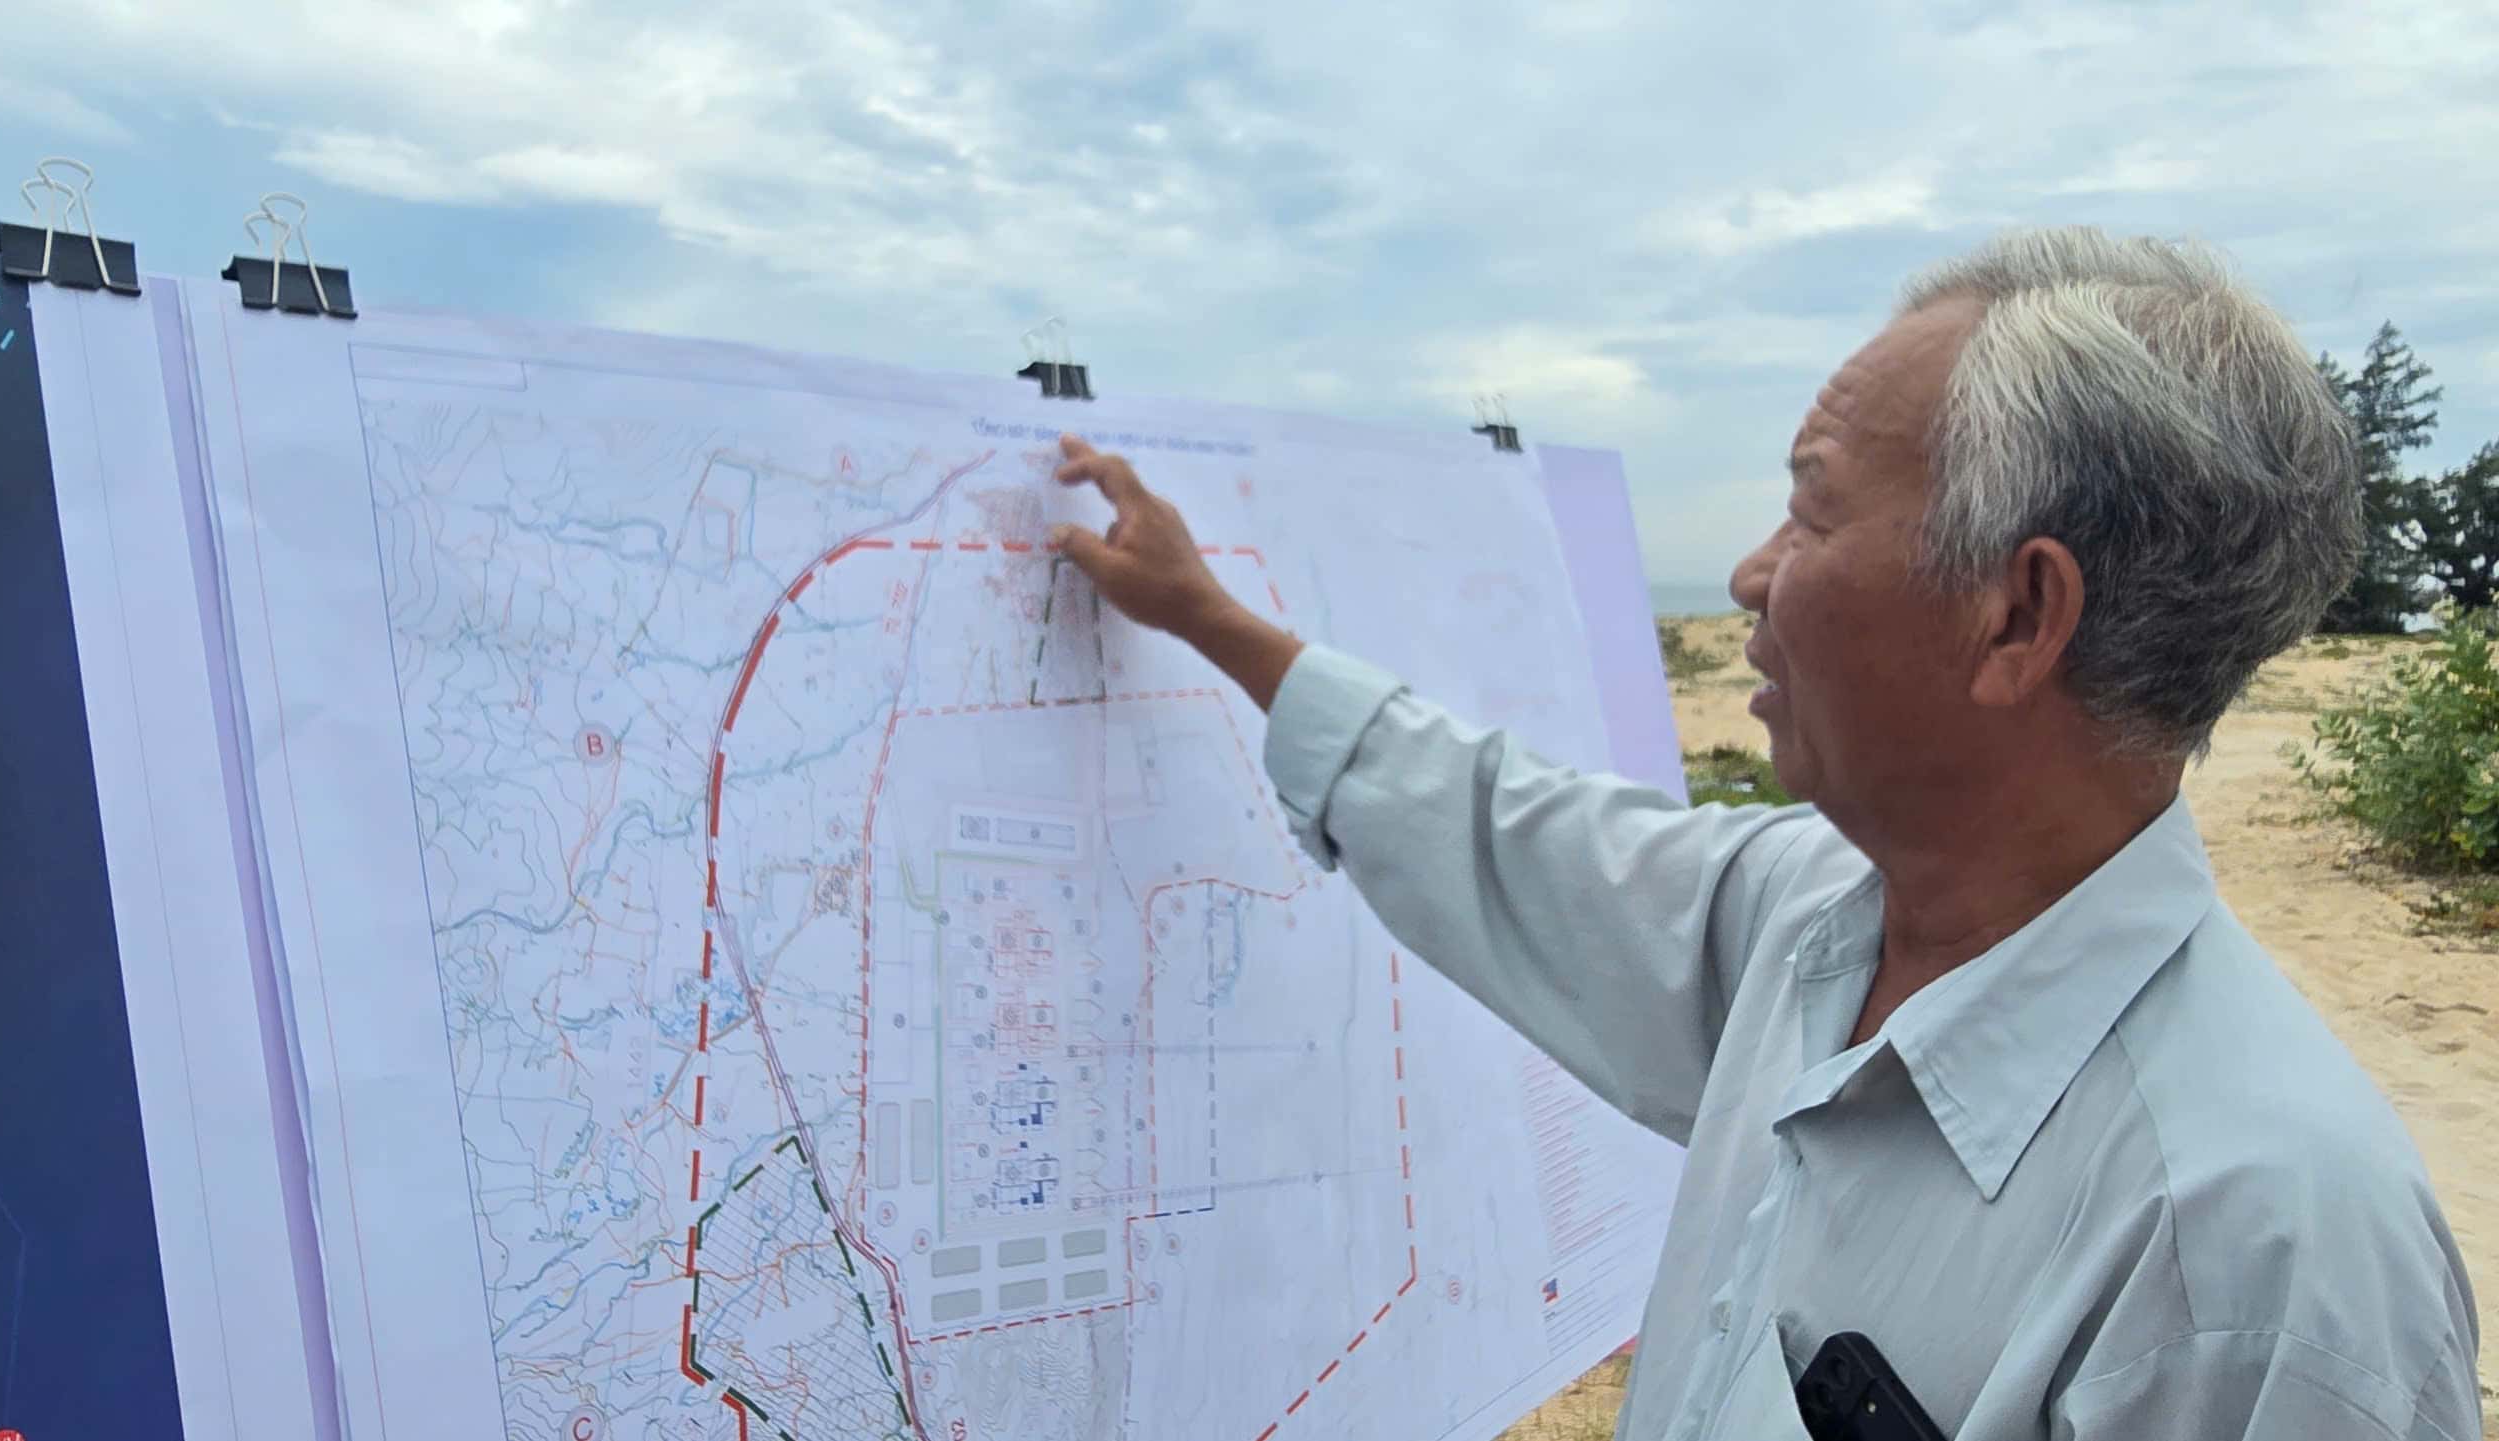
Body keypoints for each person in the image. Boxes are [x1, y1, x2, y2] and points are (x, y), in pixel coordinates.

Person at [1045, 226, 2481, 1440]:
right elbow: (1509, 835)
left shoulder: (2262, 1253)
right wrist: (1217, 623)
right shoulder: (1807, 918)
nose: (1747, 573)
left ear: (2019, 616)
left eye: (1809, 510)